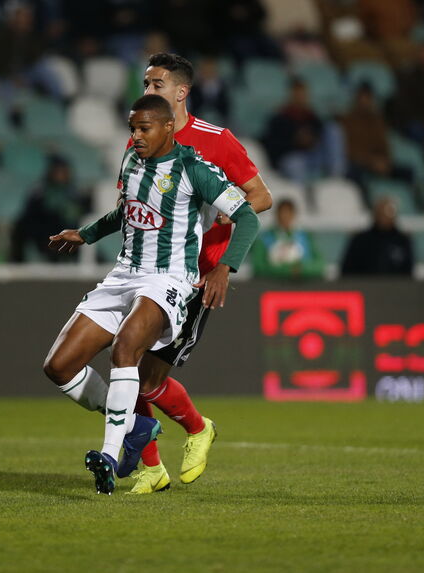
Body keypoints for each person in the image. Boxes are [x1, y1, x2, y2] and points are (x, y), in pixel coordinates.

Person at [44, 94, 261, 495]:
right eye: (132, 128)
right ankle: (138, 425)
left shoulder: (196, 168)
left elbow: (248, 216)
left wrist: (224, 268)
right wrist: (87, 234)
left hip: (169, 279)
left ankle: (110, 455)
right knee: (59, 366)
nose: (136, 136)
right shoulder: (130, 162)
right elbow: (126, 211)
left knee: (124, 352)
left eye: (144, 128)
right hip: (123, 274)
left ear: (167, 127)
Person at [126, 53, 272, 494]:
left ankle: (197, 427)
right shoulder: (142, 134)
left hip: (196, 275)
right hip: (146, 270)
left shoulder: (216, 140)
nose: (148, 91)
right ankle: (151, 468)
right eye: (147, 83)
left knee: (147, 377)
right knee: (126, 364)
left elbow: (260, 198)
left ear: (180, 92)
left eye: (157, 84)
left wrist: (223, 227)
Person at [262, 77, 347, 180]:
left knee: (333, 128)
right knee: (295, 164)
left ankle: (337, 179)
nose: (301, 97)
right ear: (291, 95)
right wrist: (295, 140)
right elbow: (273, 146)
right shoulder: (280, 117)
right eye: (298, 94)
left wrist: (311, 139)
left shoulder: (312, 116)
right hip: (292, 156)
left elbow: (320, 137)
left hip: (313, 155)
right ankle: (301, 195)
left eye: (304, 94)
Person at [10, 157, 87, 263]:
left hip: (70, 233)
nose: (60, 175)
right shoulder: (39, 193)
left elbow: (80, 216)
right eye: (57, 172)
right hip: (45, 234)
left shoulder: (75, 194)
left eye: (63, 172)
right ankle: (16, 262)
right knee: (20, 226)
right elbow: (29, 217)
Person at [251, 198, 324, 279]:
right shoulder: (264, 238)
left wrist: (302, 269)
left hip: (303, 287)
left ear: (294, 214)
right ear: (276, 215)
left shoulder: (306, 237)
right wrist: (287, 270)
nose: (284, 217)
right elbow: (258, 267)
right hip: (273, 287)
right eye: (281, 213)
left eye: (288, 213)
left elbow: (320, 265)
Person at [340, 197, 414, 276]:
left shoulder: (402, 241)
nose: (385, 216)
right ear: (375, 214)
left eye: (389, 212)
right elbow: (347, 271)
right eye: (381, 212)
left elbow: (408, 273)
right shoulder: (360, 240)